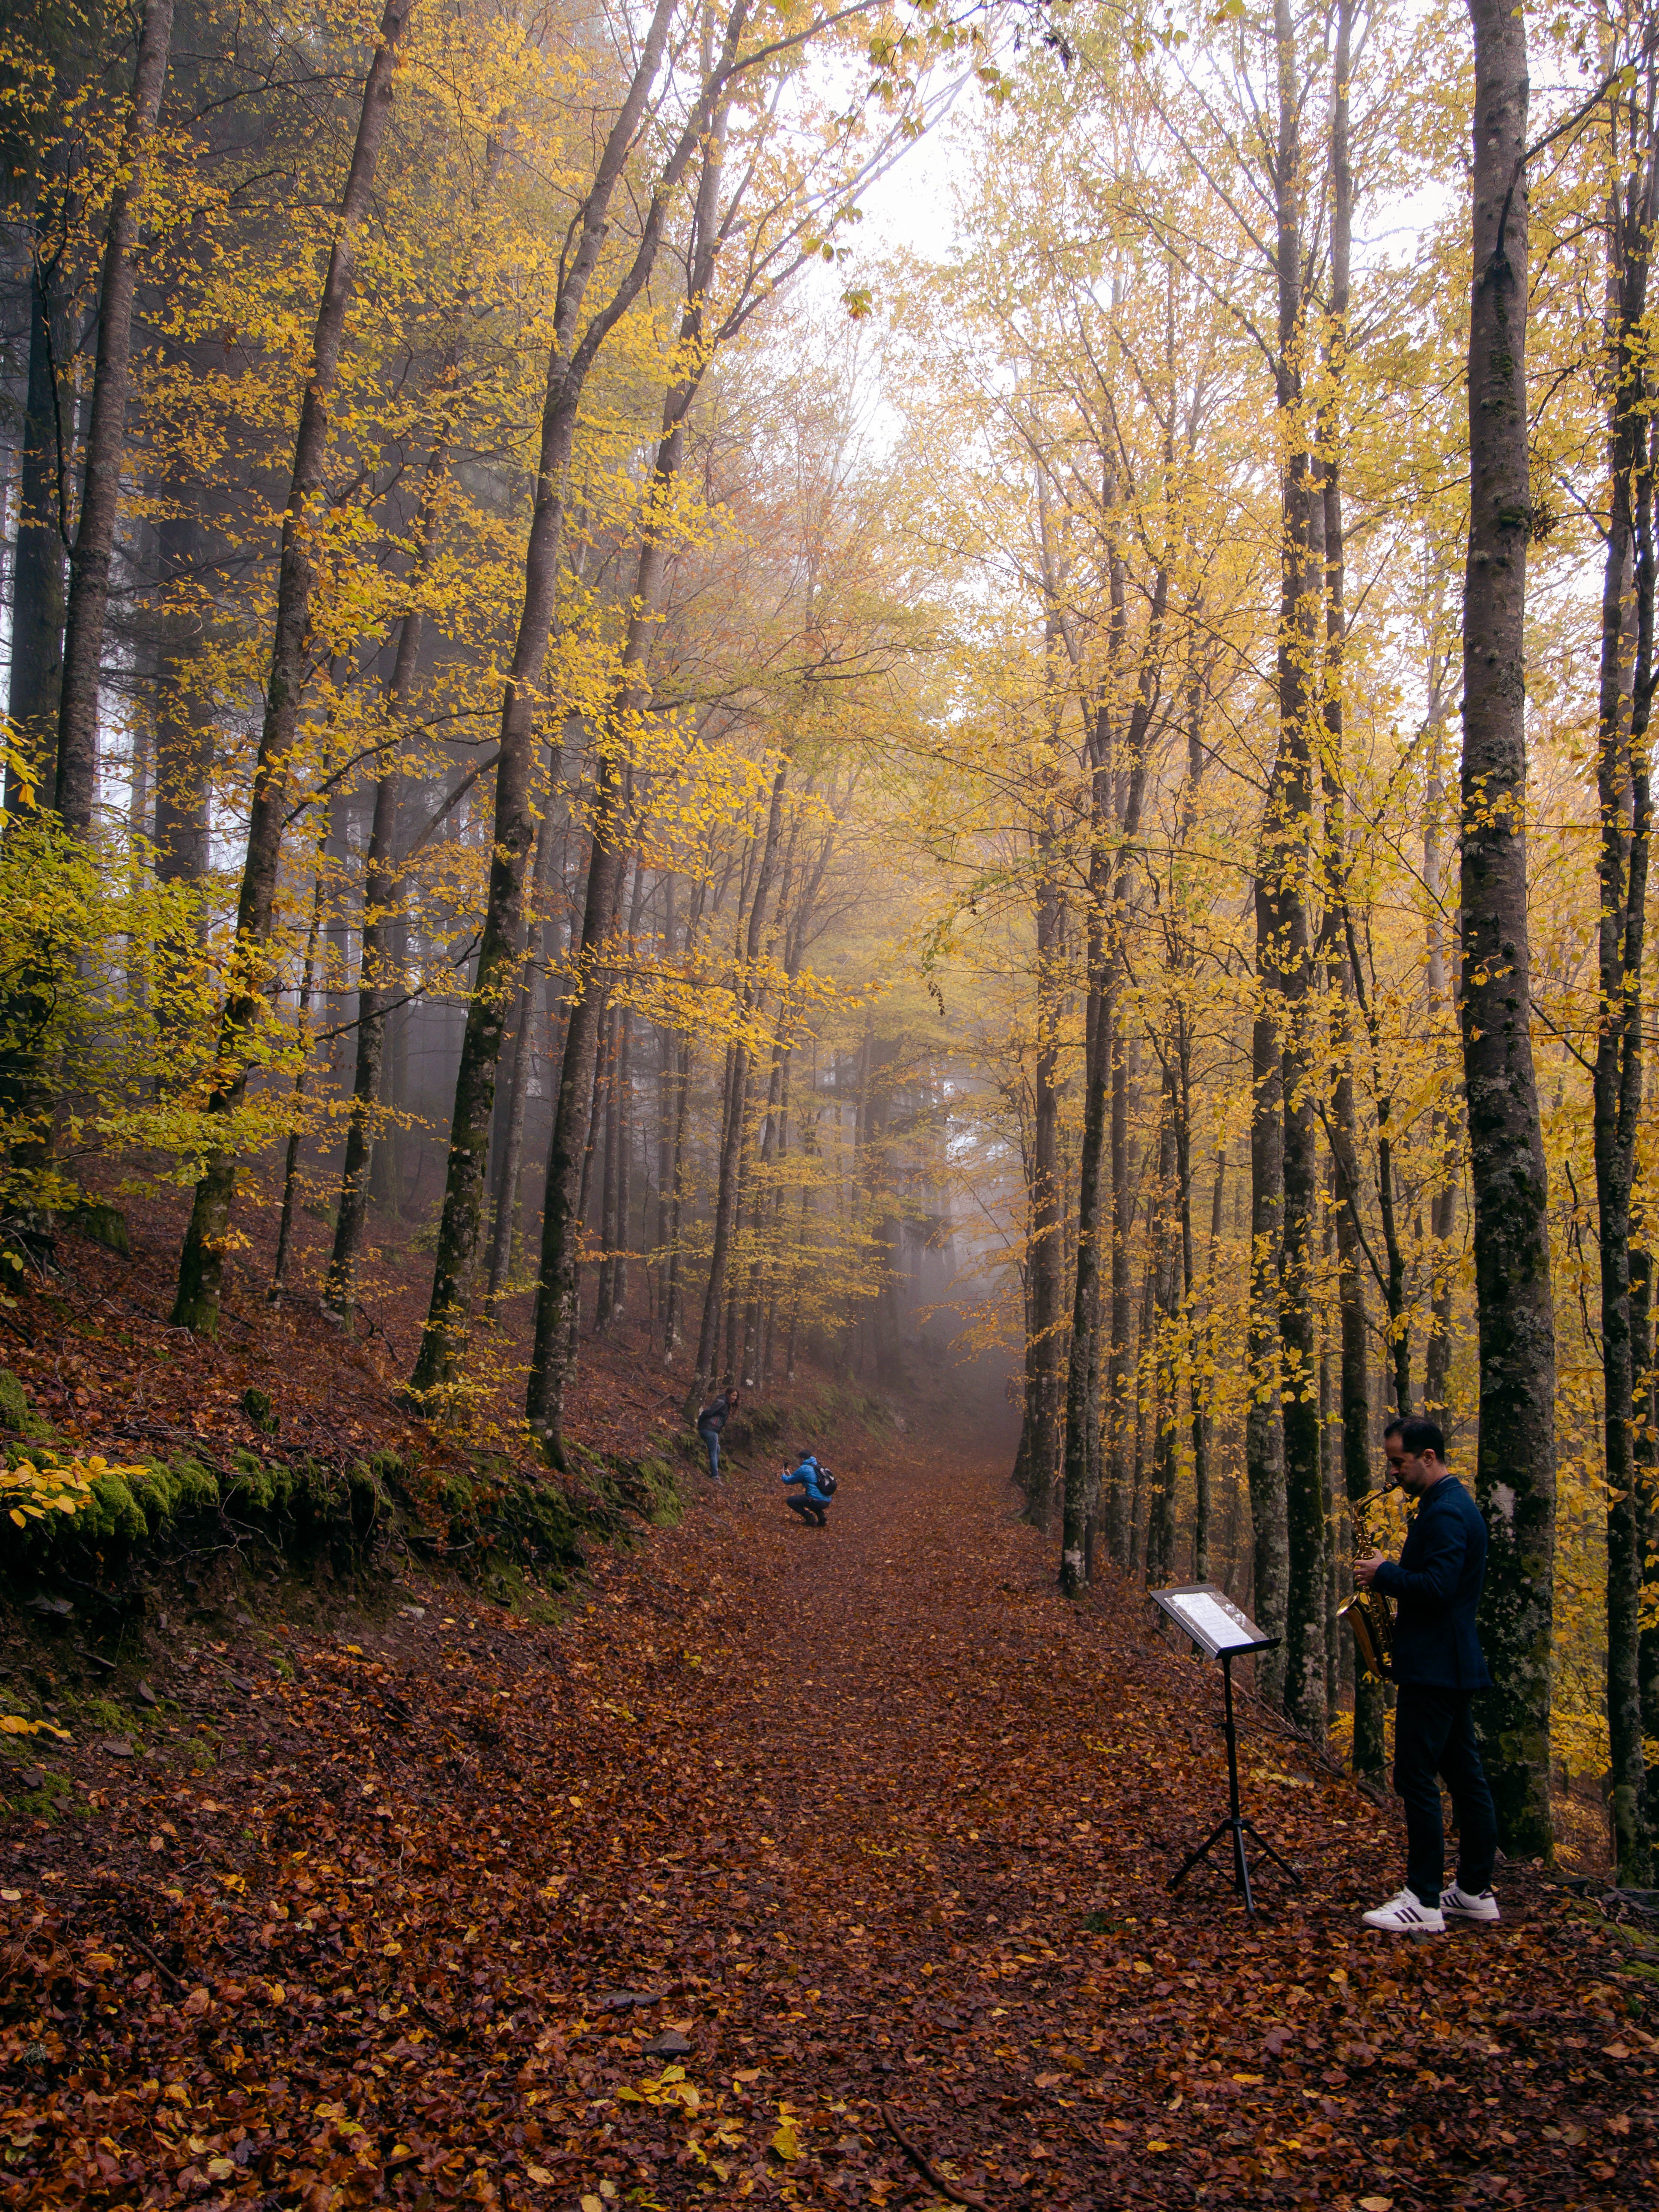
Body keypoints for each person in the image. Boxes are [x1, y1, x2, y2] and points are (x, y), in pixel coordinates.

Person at [1355, 1415, 1500, 1934]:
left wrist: (1383, 1574)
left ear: (1428, 1458)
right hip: (1448, 1661)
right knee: (1463, 1776)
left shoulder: (1444, 1513)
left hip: (1436, 1666)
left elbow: (1437, 1586)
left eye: (1399, 1462)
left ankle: (1422, 1899)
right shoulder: (1450, 1507)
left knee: (1414, 1776)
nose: (1392, 1473)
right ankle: (1473, 1891)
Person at [695, 1386, 739, 1482]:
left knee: (717, 1449)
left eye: (736, 1396)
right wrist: (699, 1424)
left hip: (712, 1430)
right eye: (733, 1395)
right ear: (728, 1394)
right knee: (713, 1452)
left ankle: (713, 1471)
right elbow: (708, 1412)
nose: (735, 1398)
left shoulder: (726, 1404)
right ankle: (715, 1476)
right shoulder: (722, 1402)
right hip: (709, 1429)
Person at [781, 1450, 833, 1527]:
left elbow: (788, 1481)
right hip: (827, 1501)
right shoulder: (818, 1466)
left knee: (791, 1501)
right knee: (810, 1499)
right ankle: (821, 1517)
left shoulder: (804, 1469)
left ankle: (810, 1518)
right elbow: (810, 1481)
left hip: (816, 1501)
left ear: (802, 1459)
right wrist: (790, 1475)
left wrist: (783, 1474)